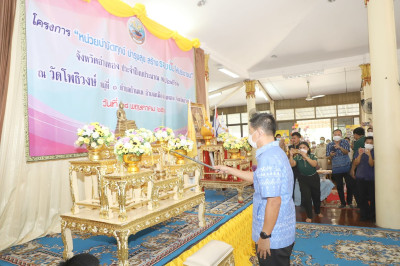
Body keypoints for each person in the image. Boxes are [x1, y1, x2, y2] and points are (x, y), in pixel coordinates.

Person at [214, 113, 295, 266]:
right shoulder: (276, 152)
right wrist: (229, 170)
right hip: (282, 228)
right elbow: (258, 178)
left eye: (250, 132)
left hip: (273, 236)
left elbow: (274, 201)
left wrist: (264, 236)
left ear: (259, 133)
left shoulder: (268, 158)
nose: (250, 136)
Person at [289, 142, 323, 222]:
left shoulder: (312, 156)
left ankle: (318, 211)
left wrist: (306, 157)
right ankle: (309, 215)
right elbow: (292, 164)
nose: (302, 149)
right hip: (303, 179)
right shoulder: (297, 157)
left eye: (304, 147)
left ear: (308, 148)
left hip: (314, 178)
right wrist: (291, 155)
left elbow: (314, 164)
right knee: (306, 197)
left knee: (316, 196)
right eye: (300, 147)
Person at [326, 129, 354, 208]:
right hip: (336, 168)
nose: (337, 135)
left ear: (341, 135)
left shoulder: (345, 142)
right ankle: (343, 203)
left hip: (346, 167)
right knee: (339, 186)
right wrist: (331, 155)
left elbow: (346, 152)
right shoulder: (329, 145)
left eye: (339, 134)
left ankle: (349, 202)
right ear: (333, 135)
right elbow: (328, 156)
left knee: (349, 185)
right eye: (335, 134)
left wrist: (339, 147)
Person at [353, 136, 375, 221]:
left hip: (370, 178)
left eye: (371, 143)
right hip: (360, 178)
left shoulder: (374, 152)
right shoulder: (360, 151)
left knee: (373, 198)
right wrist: (360, 154)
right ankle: (364, 215)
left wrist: (369, 155)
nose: (369, 144)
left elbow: (371, 164)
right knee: (362, 198)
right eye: (367, 143)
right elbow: (356, 163)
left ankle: (372, 215)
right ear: (364, 143)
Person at [289, 132, 302, 200]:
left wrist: (296, 151)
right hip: (292, 168)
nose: (293, 139)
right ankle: (292, 200)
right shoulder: (290, 147)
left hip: (300, 167)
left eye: (295, 138)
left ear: (299, 138)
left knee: (302, 185)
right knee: (292, 184)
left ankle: (303, 201)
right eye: (292, 138)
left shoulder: (302, 146)